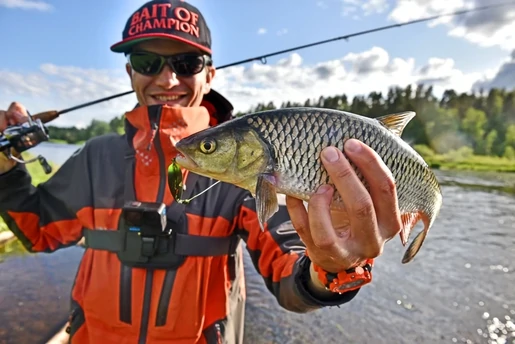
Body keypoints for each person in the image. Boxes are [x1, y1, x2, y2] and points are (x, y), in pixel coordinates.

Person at [0, 0, 403, 343]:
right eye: (147, 60)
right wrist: (4, 170)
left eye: (187, 62)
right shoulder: (96, 156)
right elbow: (37, 231)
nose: (167, 78)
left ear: (209, 75)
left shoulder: (254, 162)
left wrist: (335, 268)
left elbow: (292, 277)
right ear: (130, 72)